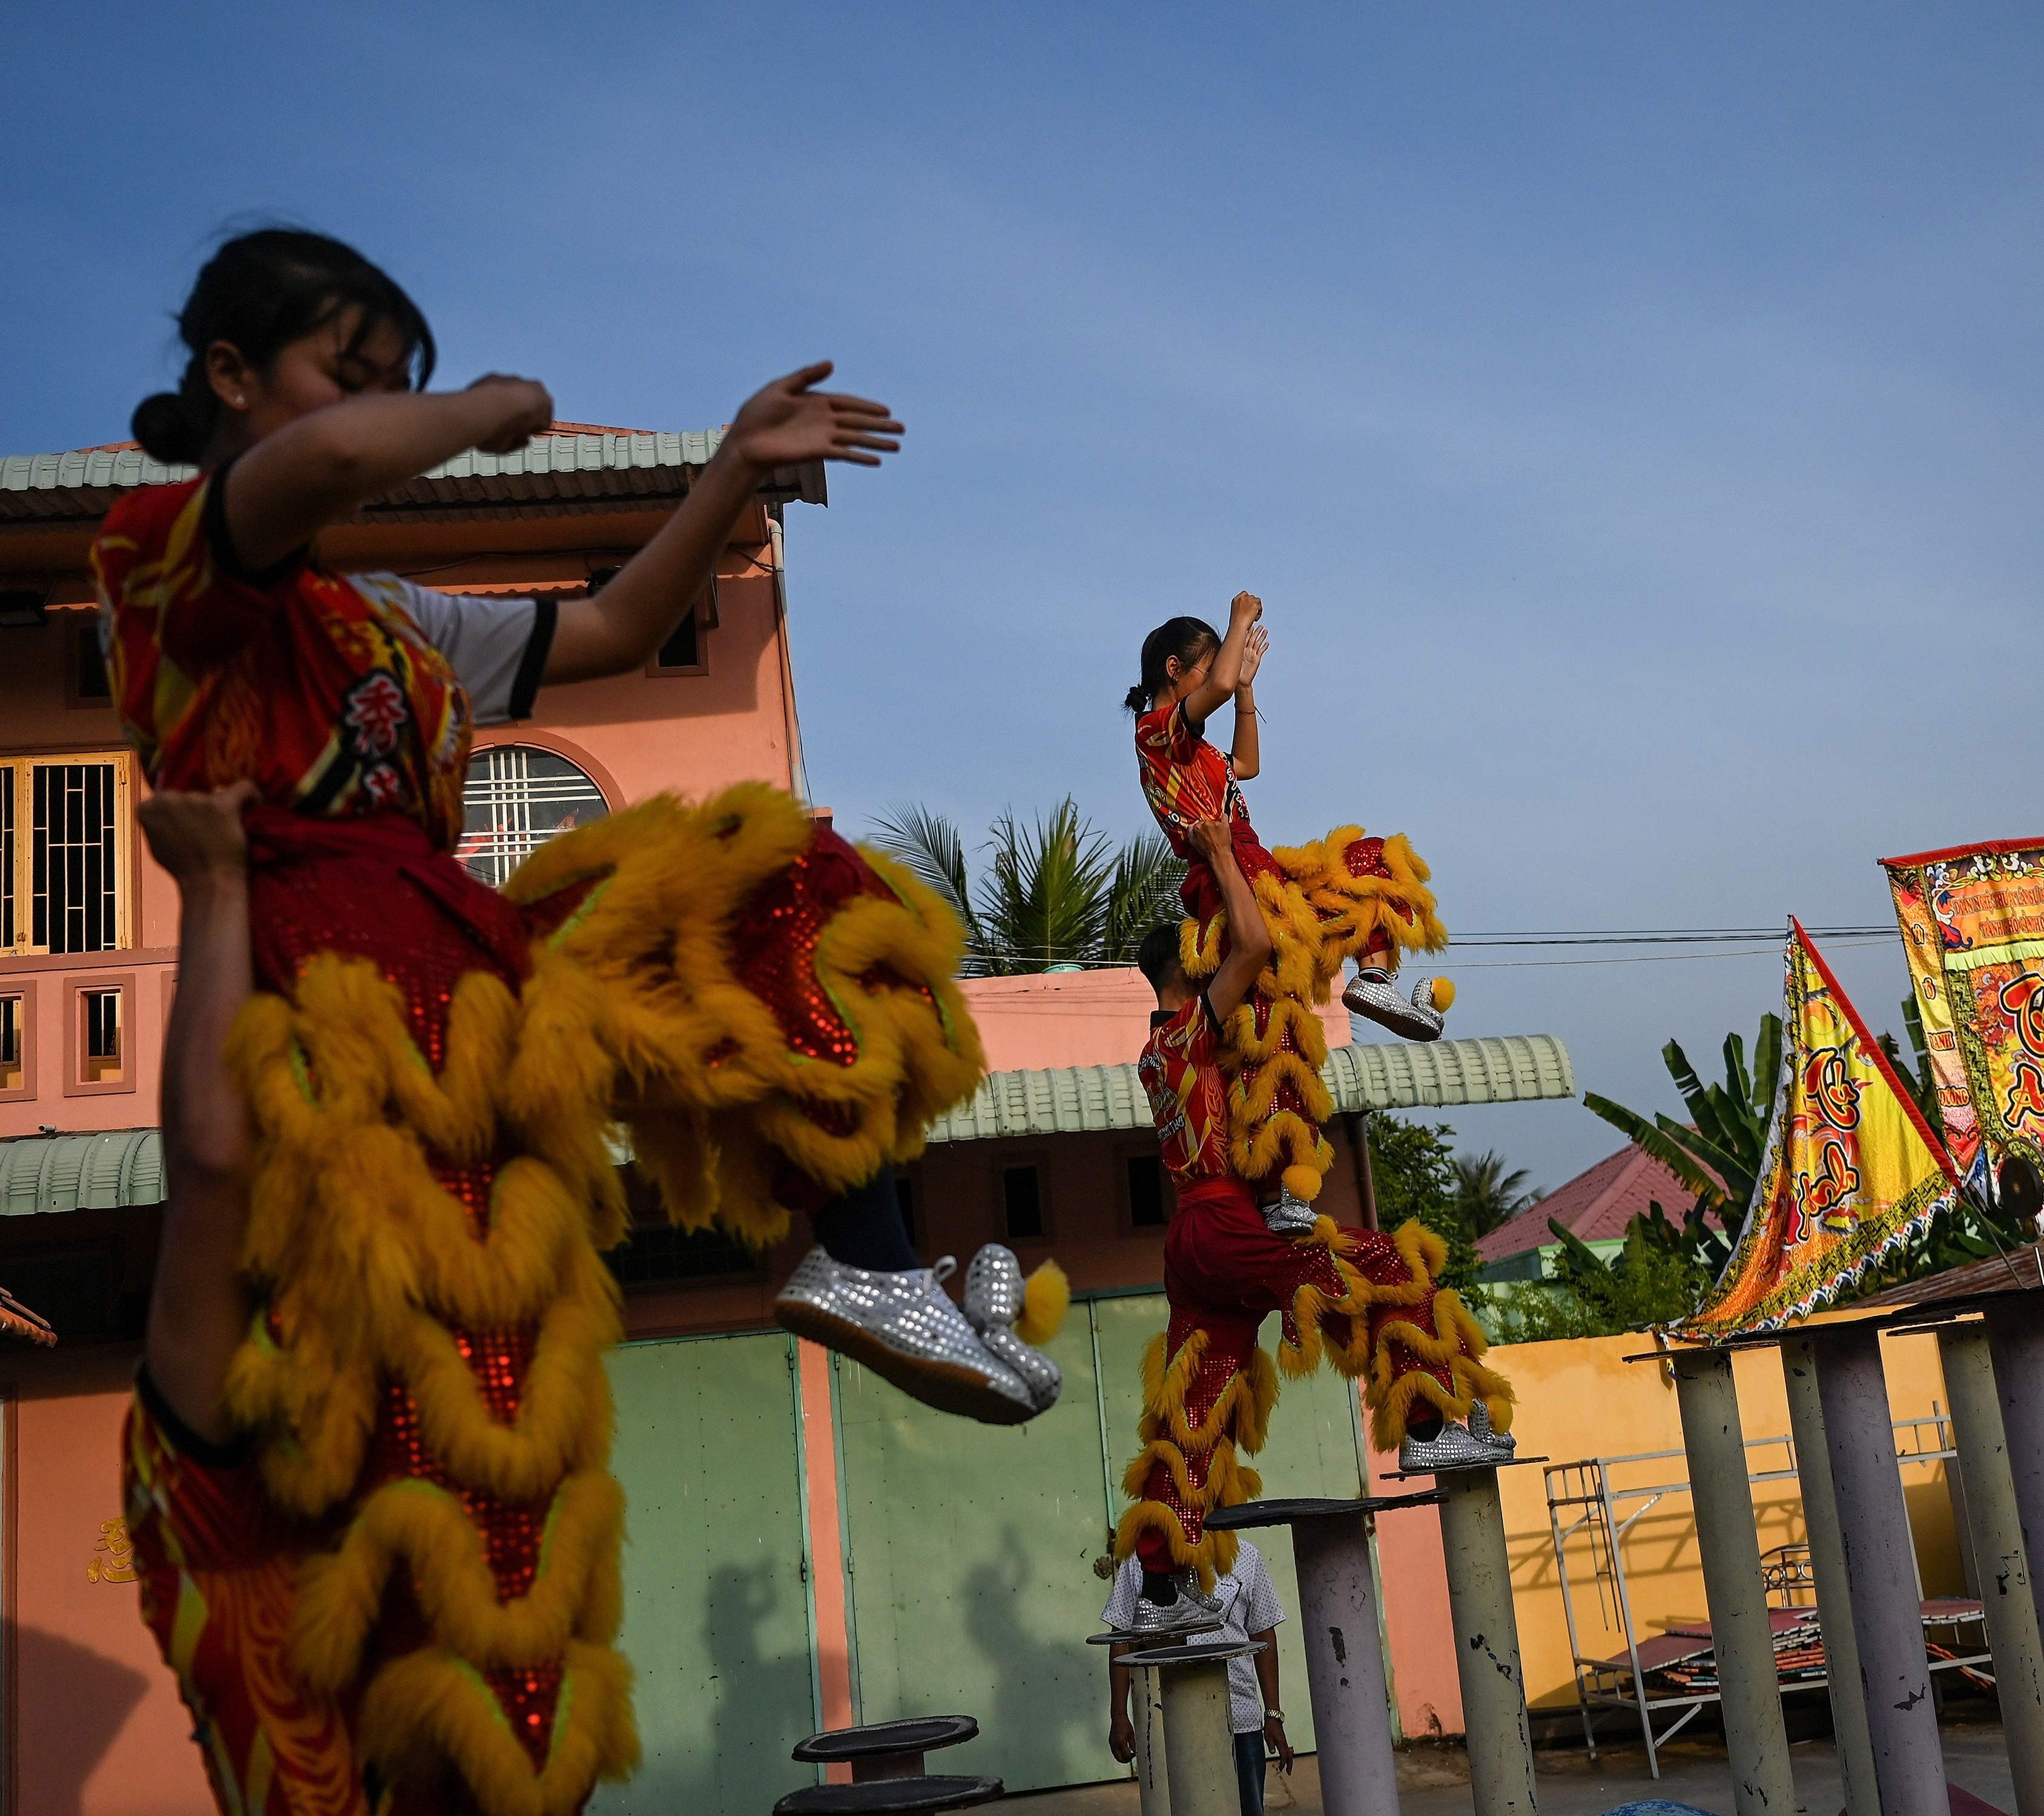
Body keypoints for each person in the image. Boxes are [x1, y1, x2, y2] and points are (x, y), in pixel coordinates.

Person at [98, 227, 1068, 1816]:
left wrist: (723, 475)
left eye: (399, 386)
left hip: (468, 974)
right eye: (352, 375)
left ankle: (862, 1253)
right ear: (224, 378)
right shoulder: (177, 574)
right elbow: (327, 464)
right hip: (326, 1017)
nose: (380, 419)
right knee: (459, 1476)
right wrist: (480, 408)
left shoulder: (397, 622)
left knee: (763, 868)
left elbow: (609, 633)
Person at [1113, 814, 1512, 1615]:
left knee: (1200, 1399)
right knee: (1388, 1269)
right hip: (1228, 1228)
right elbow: (1257, 947)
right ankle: (1433, 1424)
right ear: (1188, 968)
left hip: (1191, 1239)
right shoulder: (1191, 1027)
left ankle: (1158, 1575)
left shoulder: (1158, 1049)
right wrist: (1225, 858)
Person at [1130, 593, 1453, 1231]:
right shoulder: (1155, 735)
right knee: (1273, 1038)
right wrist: (1239, 619)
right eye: (1207, 667)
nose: (1218, 677)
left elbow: (1247, 763)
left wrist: (1245, 687)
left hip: (1262, 871)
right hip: (1226, 884)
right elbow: (1216, 687)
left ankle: (1375, 981)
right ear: (1175, 670)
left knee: (1371, 861)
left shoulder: (1198, 750)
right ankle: (1283, 1191)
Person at [1104, 1539, 1294, 1816]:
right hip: (1166, 1720)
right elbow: (1120, 1636)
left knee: (1246, 1808)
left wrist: (1273, 1714)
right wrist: (1119, 1715)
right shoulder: (1141, 1560)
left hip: (1239, 1718)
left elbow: (1263, 1633)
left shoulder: (1245, 1556)